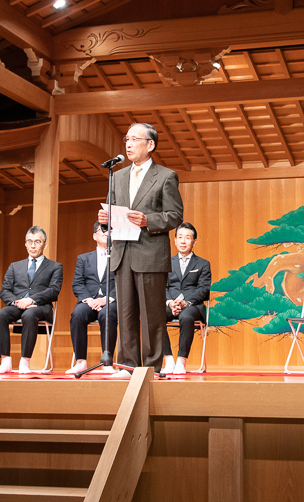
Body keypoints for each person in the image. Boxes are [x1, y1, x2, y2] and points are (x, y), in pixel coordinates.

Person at [98, 122, 184, 378]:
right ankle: (126, 364)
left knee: (151, 316)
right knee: (125, 313)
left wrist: (149, 220)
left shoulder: (166, 176)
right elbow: (111, 211)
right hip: (122, 253)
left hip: (150, 253)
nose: (129, 143)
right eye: (127, 139)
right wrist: (104, 220)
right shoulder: (118, 175)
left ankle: (150, 367)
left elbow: (175, 215)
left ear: (150, 145)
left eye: (135, 139)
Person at [0, 226, 63, 374]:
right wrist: (17, 302)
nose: (33, 245)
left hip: (41, 307)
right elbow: (4, 291)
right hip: (17, 305)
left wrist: (31, 300)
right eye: (29, 241)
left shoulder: (55, 267)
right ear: (25, 244)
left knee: (29, 315)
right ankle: (5, 361)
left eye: (37, 241)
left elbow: (53, 291)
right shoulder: (14, 266)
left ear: (45, 244)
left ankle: (25, 361)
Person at [66, 221, 118, 374]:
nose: (105, 233)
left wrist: (107, 299)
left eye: (109, 230)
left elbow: (123, 283)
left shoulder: (119, 257)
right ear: (94, 235)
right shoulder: (83, 258)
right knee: (77, 314)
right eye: (101, 230)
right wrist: (89, 300)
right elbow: (77, 283)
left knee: (106, 314)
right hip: (89, 301)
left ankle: (108, 362)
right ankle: (80, 361)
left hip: (111, 301)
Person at [163, 222, 212, 375]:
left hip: (194, 306)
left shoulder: (203, 264)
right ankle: (169, 360)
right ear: (175, 240)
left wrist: (185, 302)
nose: (183, 241)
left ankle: (181, 361)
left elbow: (203, 289)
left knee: (186, 315)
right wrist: (171, 302)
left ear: (194, 242)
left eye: (187, 238)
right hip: (171, 304)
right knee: (153, 316)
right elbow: (162, 287)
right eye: (180, 237)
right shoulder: (166, 263)